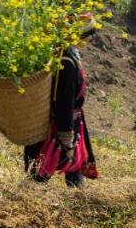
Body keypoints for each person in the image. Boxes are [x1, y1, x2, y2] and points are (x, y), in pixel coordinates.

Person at [23, 33, 98, 187]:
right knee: (43, 168)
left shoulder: (65, 54)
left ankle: (77, 198)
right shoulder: (66, 62)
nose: (89, 39)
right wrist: (66, 136)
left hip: (69, 122)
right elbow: (64, 100)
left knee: (73, 165)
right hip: (59, 125)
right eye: (88, 35)